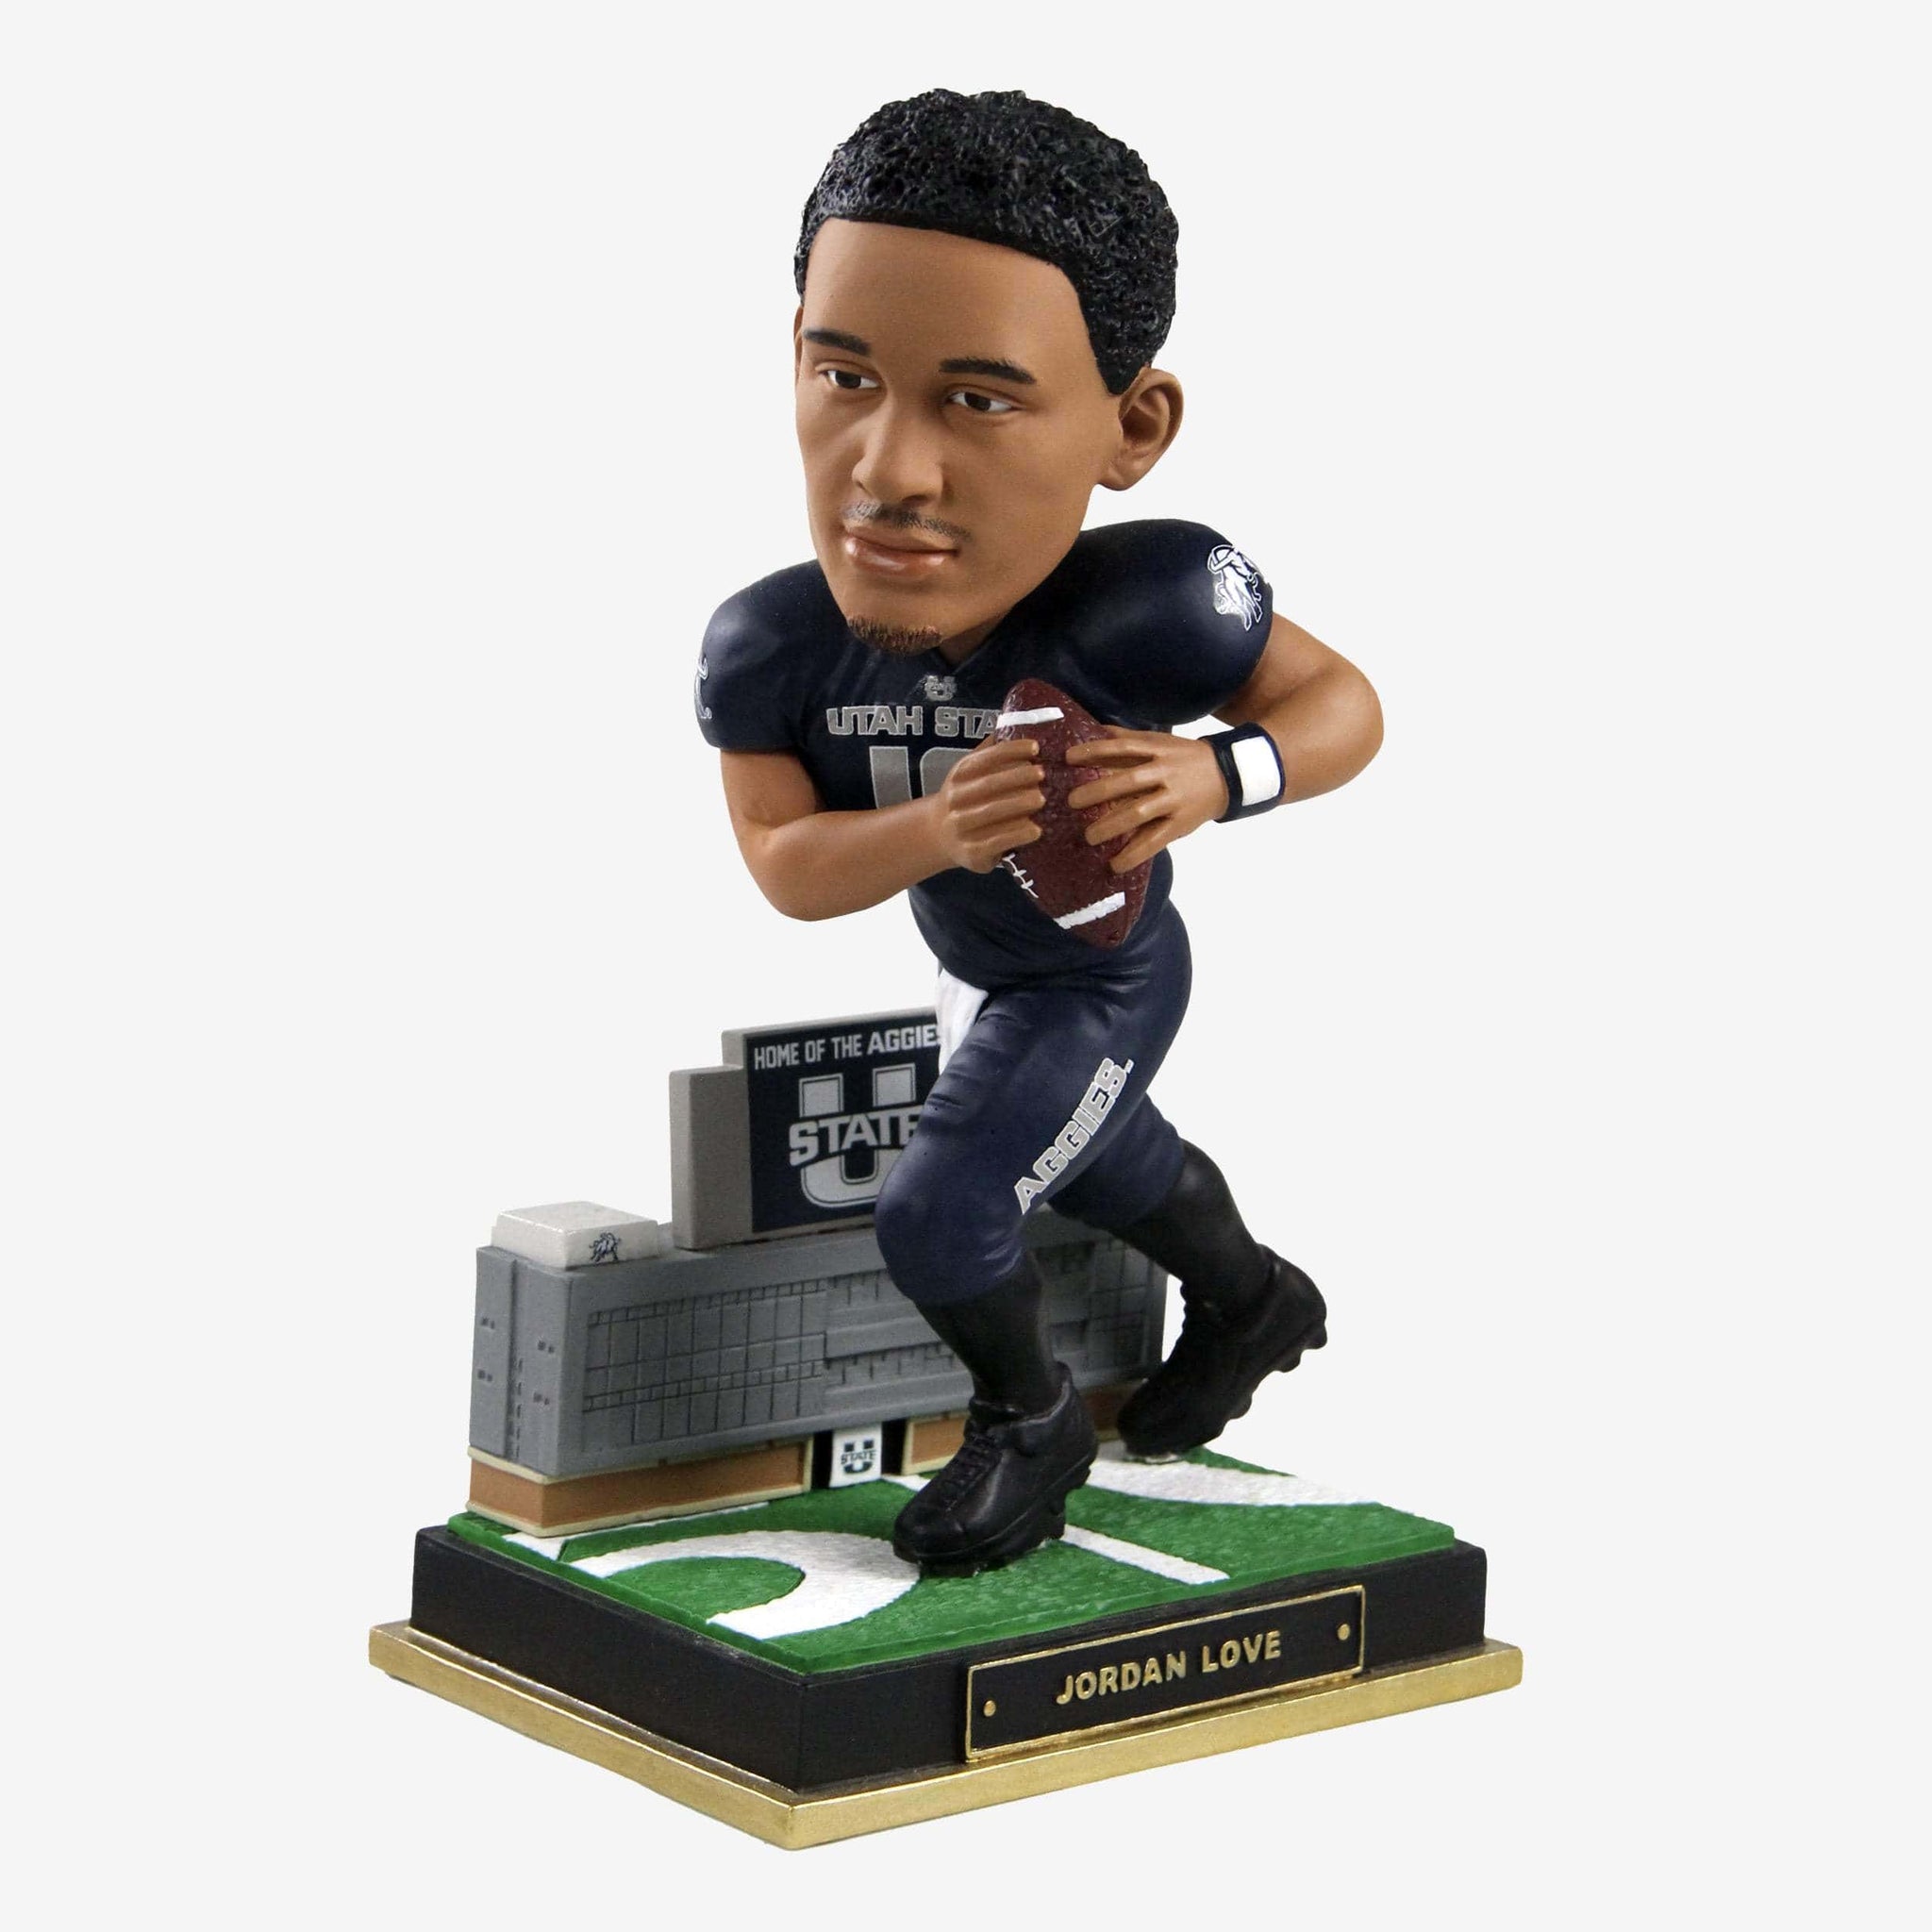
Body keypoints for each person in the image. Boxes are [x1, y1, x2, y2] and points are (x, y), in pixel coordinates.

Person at [694, 91, 1382, 1577]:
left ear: (1131, 429)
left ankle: (1031, 1421)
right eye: (845, 374)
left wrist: (1216, 775)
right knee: (1089, 1154)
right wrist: (939, 827)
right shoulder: (772, 643)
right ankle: (1257, 1298)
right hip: (982, 966)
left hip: (1100, 971)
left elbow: (1343, 705)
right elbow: (786, 869)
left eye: (979, 400)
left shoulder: (1153, 603)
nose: (890, 470)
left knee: (944, 1207)